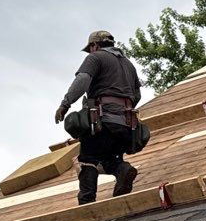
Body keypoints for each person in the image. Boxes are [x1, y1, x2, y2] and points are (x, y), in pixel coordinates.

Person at [55, 30, 143, 205]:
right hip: (126, 124)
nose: (90, 52)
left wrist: (65, 104)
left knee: (87, 159)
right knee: (109, 158)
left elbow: (82, 80)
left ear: (94, 45)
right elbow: (137, 95)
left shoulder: (95, 58)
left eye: (90, 49)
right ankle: (123, 170)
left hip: (102, 121)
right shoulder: (128, 64)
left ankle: (86, 201)